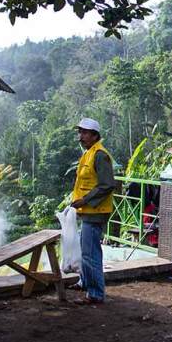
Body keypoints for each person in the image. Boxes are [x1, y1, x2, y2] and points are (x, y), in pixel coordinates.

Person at [70, 118, 116, 305]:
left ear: (95, 135)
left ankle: (96, 293)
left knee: (90, 253)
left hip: (95, 211)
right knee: (86, 250)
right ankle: (85, 282)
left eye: (85, 133)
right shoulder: (89, 153)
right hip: (87, 210)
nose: (81, 136)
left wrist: (85, 200)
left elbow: (107, 185)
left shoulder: (99, 155)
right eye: (80, 132)